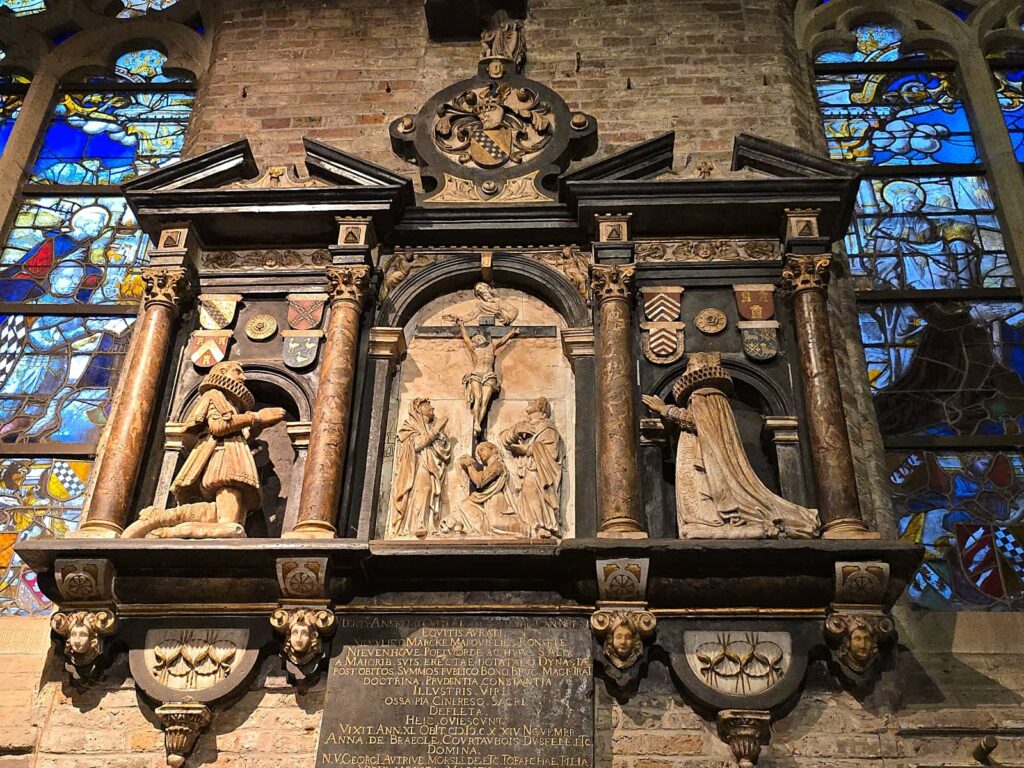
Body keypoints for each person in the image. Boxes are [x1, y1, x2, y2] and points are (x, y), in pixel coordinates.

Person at [643, 354, 819, 539]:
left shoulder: (706, 395)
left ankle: (713, 522)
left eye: (691, 367)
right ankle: (705, 523)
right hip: (701, 453)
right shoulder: (704, 396)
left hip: (707, 458)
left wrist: (665, 409)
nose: (687, 371)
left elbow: (698, 423)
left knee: (704, 489)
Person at [123, 362, 286, 538]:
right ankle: (161, 521)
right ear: (223, 372)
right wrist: (256, 416)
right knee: (229, 489)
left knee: (234, 515)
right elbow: (219, 426)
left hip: (232, 450)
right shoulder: (215, 394)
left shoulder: (231, 402)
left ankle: (166, 525)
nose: (243, 377)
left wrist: (259, 425)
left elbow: (239, 432)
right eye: (238, 372)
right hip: (222, 453)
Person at [501, 397, 564, 539]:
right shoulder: (522, 424)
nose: (529, 403)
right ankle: (530, 527)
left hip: (537, 470)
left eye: (534, 402)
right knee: (526, 494)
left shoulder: (547, 428)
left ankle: (541, 526)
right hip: (523, 470)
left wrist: (527, 449)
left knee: (533, 491)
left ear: (542, 408)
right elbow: (503, 439)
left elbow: (550, 450)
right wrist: (515, 431)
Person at [392, 398, 452, 538]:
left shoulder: (432, 427)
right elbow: (416, 444)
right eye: (427, 405)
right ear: (418, 409)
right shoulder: (410, 426)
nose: (432, 408)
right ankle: (418, 523)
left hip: (433, 464)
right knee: (424, 489)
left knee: (431, 491)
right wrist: (436, 429)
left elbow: (442, 449)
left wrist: (440, 436)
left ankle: (429, 523)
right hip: (417, 464)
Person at [456, 316, 519, 436]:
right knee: (478, 398)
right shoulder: (474, 349)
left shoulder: (491, 347)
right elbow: (465, 337)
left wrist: (511, 333)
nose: (478, 339)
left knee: (485, 401)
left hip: (489, 375)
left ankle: (478, 422)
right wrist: (462, 325)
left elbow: (502, 341)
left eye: (479, 337)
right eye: (475, 338)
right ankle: (476, 423)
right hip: (477, 374)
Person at [456, 441, 521, 536]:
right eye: (478, 453)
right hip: (485, 497)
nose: (480, 454)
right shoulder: (489, 467)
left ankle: (524, 527)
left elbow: (480, 481)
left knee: (495, 523)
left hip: (495, 497)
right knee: (465, 504)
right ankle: (481, 531)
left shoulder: (498, 465)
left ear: (492, 449)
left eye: (482, 450)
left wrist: (469, 466)